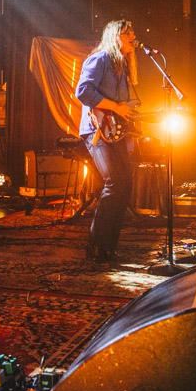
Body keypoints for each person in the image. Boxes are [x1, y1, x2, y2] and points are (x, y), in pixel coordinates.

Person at [75, 19, 139, 264]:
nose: (133, 35)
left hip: (115, 132)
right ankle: (95, 246)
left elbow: (123, 107)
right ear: (115, 36)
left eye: (133, 31)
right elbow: (83, 91)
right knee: (114, 183)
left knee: (125, 186)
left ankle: (109, 247)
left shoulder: (122, 65)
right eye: (127, 32)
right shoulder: (100, 58)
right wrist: (114, 107)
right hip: (97, 131)